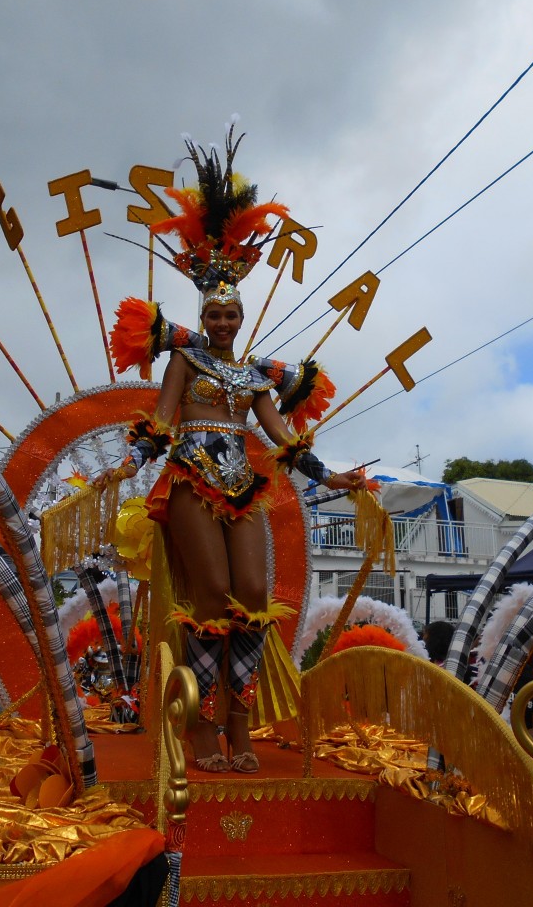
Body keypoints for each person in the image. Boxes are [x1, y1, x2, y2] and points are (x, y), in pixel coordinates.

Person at [98, 126, 365, 774]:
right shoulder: (183, 361)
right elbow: (162, 423)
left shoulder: (255, 378)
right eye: (214, 314)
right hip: (190, 479)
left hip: (243, 485)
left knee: (251, 595)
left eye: (230, 314)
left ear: (241, 318)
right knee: (213, 594)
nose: (222, 322)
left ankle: (238, 722)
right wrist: (128, 466)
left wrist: (332, 476)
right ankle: (198, 726)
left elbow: (282, 438)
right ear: (204, 316)